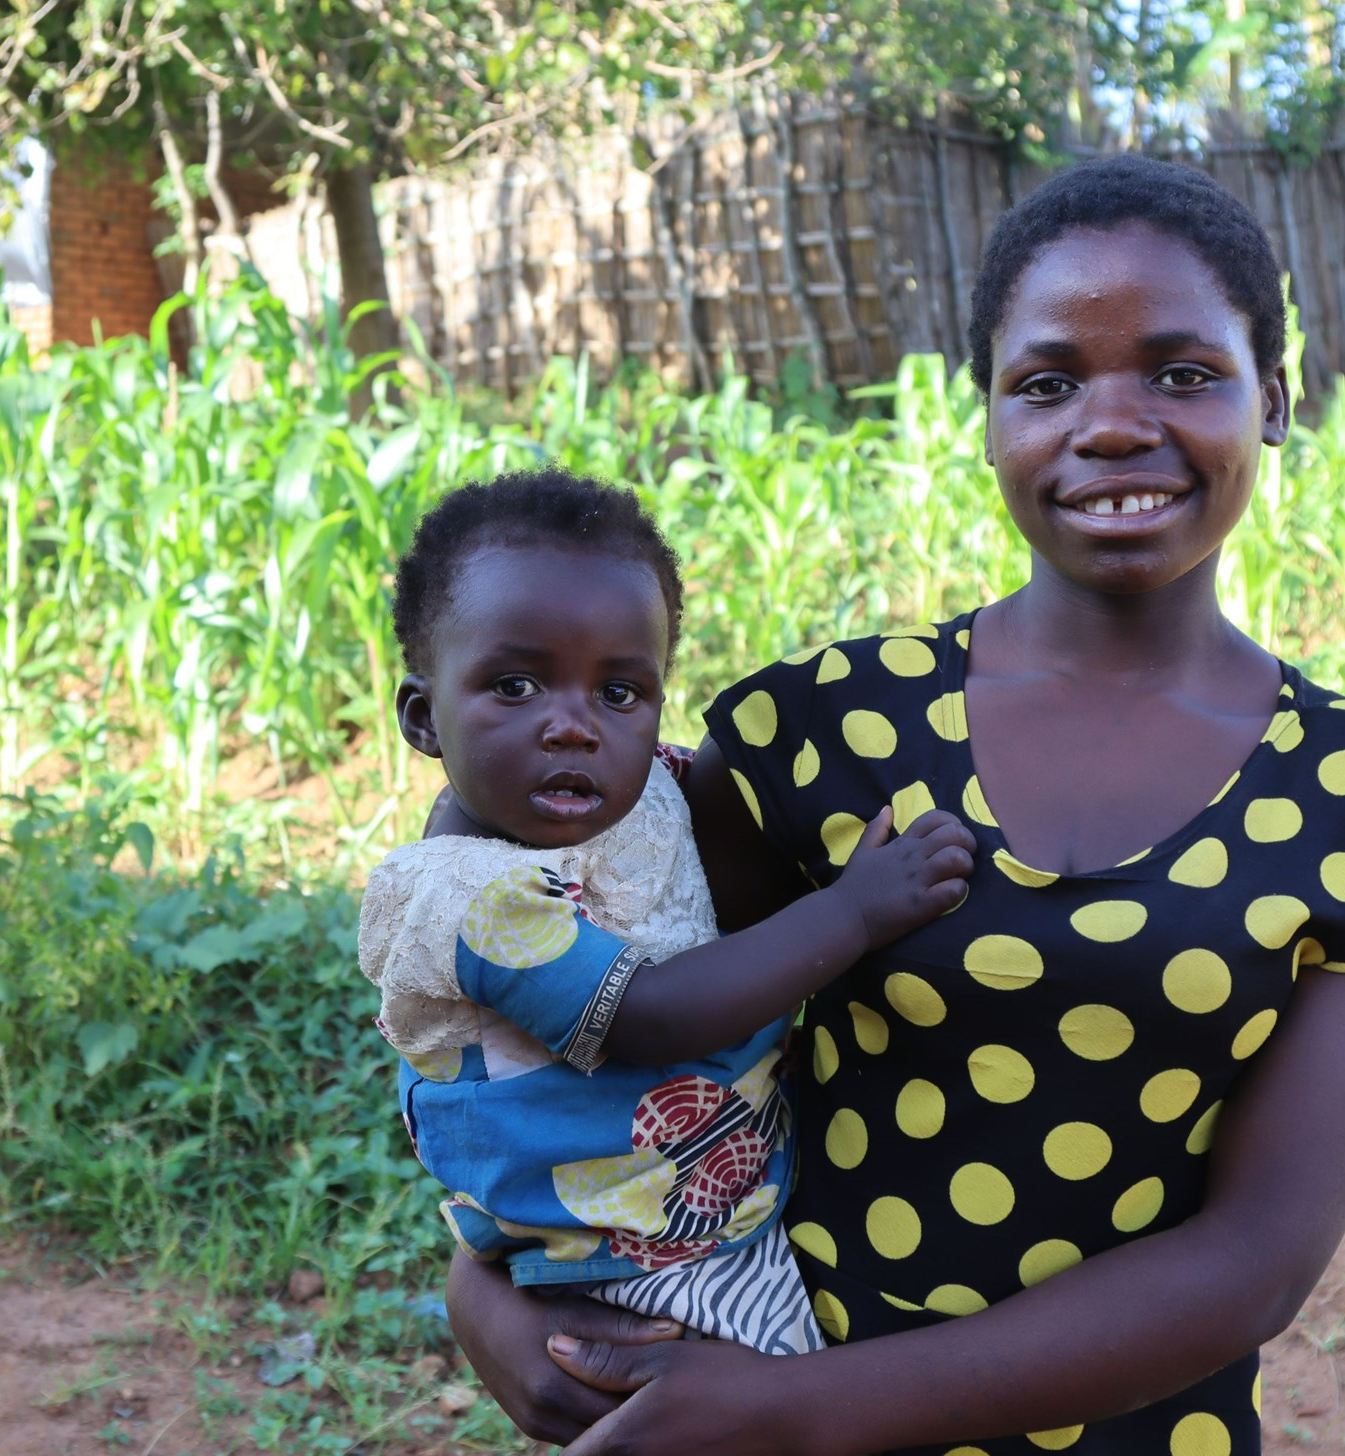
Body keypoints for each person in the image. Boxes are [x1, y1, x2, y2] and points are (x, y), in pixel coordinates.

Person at [442, 157, 1345, 1455]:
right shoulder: (826, 733)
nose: (1115, 423)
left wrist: (800, 1417)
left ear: (1277, 401)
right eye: (1049, 382)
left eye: (1185, 375)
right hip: (754, 1376)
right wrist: (486, 1288)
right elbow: (580, 1018)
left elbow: (1255, 1265)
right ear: (988, 420)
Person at [359, 471, 976, 1359]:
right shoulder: (469, 899)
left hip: (703, 1196)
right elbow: (654, 1017)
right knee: (766, 1406)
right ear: (424, 717)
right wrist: (855, 913)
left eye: (618, 694)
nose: (573, 726)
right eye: (515, 687)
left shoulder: (627, 787)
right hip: (639, 1255)